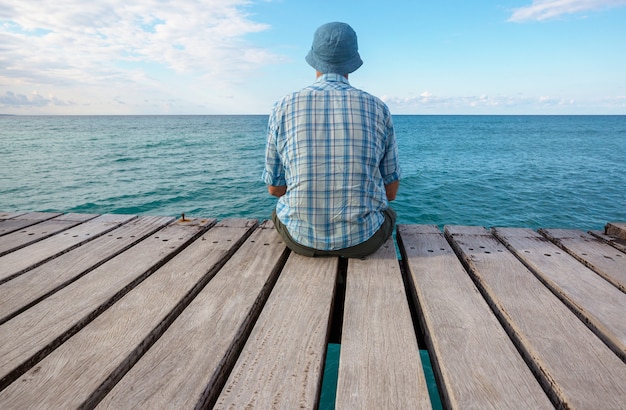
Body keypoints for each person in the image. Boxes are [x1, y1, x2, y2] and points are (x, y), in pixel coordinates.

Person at [262, 21, 401, 258]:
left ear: (314, 59)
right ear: (352, 61)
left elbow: (275, 189)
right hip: (363, 241)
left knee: (278, 212)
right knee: (390, 214)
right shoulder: (378, 108)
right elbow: (391, 192)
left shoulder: (283, 107)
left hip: (300, 240)